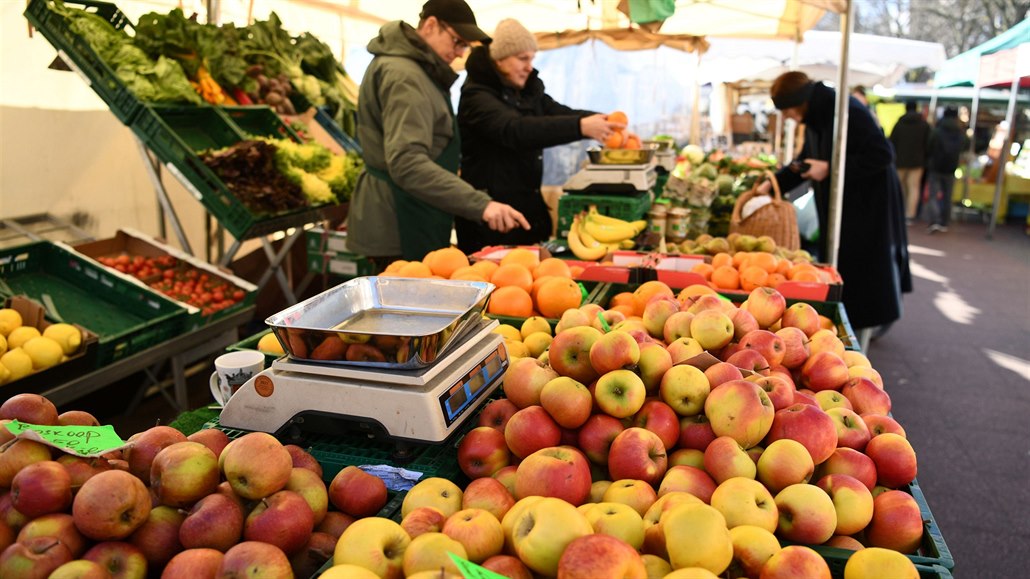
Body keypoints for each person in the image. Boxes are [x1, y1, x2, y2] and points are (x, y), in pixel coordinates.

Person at [346, 0, 530, 264]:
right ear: (431, 25)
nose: (459, 53)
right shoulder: (405, 75)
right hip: (399, 218)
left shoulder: (418, 71)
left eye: (465, 46)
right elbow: (406, 162)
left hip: (412, 211)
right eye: (457, 42)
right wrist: (481, 204)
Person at [759, 72, 911, 346]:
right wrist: (770, 184)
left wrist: (831, 169)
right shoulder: (817, 116)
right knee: (846, 267)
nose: (788, 118)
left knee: (862, 270)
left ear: (798, 102)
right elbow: (805, 161)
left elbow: (883, 154)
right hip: (842, 208)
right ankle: (846, 328)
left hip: (865, 206)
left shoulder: (847, 111)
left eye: (787, 111)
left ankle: (858, 337)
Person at [454, 18, 624, 253]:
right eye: (523, 59)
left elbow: (558, 113)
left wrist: (604, 121)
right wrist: (580, 127)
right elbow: (516, 130)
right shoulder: (477, 96)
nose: (529, 67)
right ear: (500, 58)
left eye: (532, 58)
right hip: (492, 218)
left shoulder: (526, 91)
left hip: (526, 209)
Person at [926, 107, 968, 233]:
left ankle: (934, 220)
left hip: (936, 166)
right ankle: (944, 221)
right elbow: (965, 145)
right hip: (951, 167)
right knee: (947, 196)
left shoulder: (937, 130)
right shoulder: (959, 132)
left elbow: (929, 146)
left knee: (933, 195)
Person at [889, 101, 931, 224]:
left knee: (899, 187)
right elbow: (928, 144)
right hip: (917, 162)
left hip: (899, 161)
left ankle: (898, 211)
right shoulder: (924, 125)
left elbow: (892, 142)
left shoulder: (899, 124)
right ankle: (910, 214)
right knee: (914, 188)